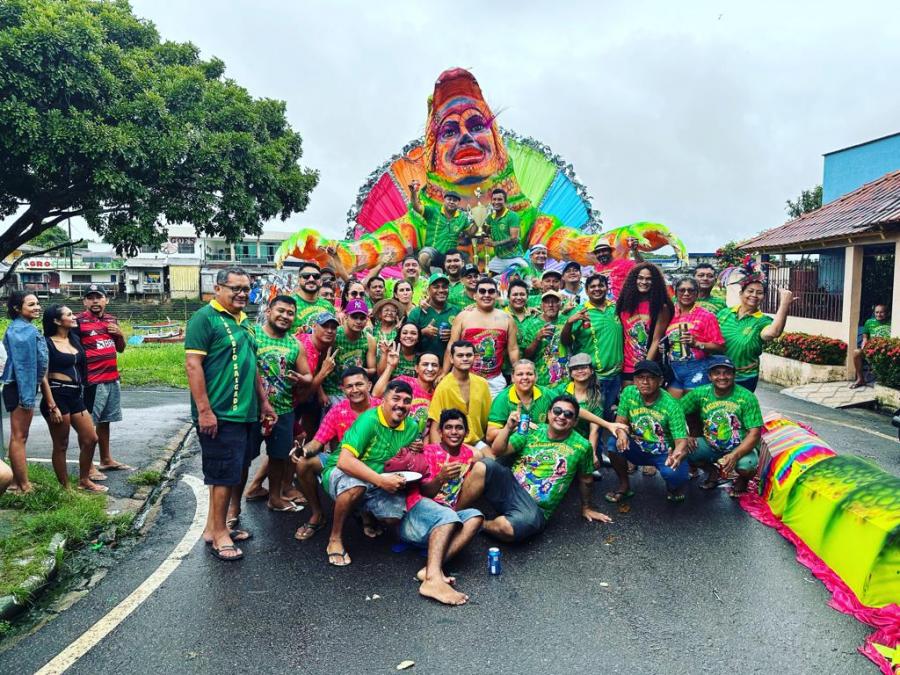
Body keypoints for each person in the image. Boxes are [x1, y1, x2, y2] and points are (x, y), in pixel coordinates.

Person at [185, 267, 276, 561]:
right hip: (220, 413)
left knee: (234, 471)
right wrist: (205, 411)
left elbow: (252, 366)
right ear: (218, 289)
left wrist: (264, 404)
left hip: (246, 413)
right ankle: (219, 534)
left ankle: (215, 528)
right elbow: (193, 366)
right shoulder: (204, 318)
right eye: (235, 288)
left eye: (245, 288)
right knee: (222, 475)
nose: (241, 293)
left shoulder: (244, 321)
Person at [457, 394, 611, 542]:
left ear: (575, 421)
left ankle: (479, 524)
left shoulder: (582, 446)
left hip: (534, 509)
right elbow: (498, 451)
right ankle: (454, 515)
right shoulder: (532, 431)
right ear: (549, 414)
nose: (561, 416)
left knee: (511, 528)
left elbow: (586, 479)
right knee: (483, 466)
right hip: (510, 488)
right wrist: (508, 428)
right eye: (557, 411)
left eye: (568, 414)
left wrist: (586, 507)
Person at [318, 380, 420, 566]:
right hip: (342, 471)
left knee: (392, 518)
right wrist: (381, 481)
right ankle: (335, 538)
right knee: (355, 488)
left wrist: (414, 454)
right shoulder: (369, 420)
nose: (401, 405)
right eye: (395, 398)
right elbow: (344, 461)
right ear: (383, 401)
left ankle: (363, 510)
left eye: (406, 401)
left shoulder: (412, 427)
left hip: (378, 477)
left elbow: (408, 458)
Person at [400, 409, 484, 606]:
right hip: (417, 519)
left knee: (476, 516)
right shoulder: (427, 452)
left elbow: (482, 457)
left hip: (446, 521)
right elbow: (424, 492)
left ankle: (430, 569)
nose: (454, 432)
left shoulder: (469, 455)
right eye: (448, 428)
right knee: (447, 514)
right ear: (440, 431)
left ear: (466, 432)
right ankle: (433, 581)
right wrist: (441, 478)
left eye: (459, 428)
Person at [292, 366, 379, 541]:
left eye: (359, 384)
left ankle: (366, 513)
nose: (355, 390)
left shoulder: (382, 408)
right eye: (349, 386)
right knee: (303, 462)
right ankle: (317, 514)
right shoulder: (338, 410)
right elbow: (318, 441)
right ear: (342, 389)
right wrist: (304, 450)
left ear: (369, 385)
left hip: (375, 465)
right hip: (341, 462)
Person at [252, 295, 309, 512]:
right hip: (253, 410)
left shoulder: (295, 344)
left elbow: (308, 376)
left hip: (283, 410)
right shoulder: (253, 335)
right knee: (243, 460)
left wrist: (301, 378)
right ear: (268, 311)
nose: (285, 316)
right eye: (281, 311)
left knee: (278, 457)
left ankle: (275, 498)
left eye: (290, 313)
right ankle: (232, 510)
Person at [607, 360, 690, 503]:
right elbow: (620, 422)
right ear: (634, 380)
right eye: (640, 377)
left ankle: (673, 486)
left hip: (664, 453)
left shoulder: (672, 405)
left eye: (651, 377)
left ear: (660, 381)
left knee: (673, 475)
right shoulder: (628, 393)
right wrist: (621, 434)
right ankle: (624, 485)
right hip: (638, 447)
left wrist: (677, 454)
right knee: (613, 443)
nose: (645, 382)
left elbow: (681, 440)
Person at [38, 304, 101, 492]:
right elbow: (43, 375)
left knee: (91, 438)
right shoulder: (46, 343)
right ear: (57, 321)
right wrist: (51, 405)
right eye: (69, 315)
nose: (74, 317)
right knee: (61, 444)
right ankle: (66, 488)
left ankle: (84, 480)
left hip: (75, 394)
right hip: (57, 395)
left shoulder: (74, 339)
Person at [681, 356, 763, 496]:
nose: (722, 377)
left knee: (747, 466)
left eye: (727, 372)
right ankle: (712, 471)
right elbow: (674, 413)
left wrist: (735, 455)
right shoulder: (700, 393)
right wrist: (684, 435)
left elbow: (755, 433)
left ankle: (742, 480)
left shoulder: (747, 397)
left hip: (740, 447)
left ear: (734, 375)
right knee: (681, 449)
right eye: (717, 373)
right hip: (709, 444)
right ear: (710, 376)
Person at [76, 285, 130, 474]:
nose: (95, 301)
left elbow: (120, 348)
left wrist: (120, 334)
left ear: (106, 300)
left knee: (105, 421)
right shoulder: (78, 322)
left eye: (99, 297)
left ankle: (106, 459)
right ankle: (88, 467)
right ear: (85, 302)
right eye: (90, 298)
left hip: (112, 378)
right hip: (92, 380)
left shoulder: (111, 320)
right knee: (88, 424)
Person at [1, 291, 48, 493]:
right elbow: (25, 367)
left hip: (22, 386)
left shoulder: (24, 328)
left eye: (37, 303)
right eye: (31, 304)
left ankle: (16, 482)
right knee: (19, 436)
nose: (37, 307)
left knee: (19, 436)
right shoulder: (22, 332)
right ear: (17, 309)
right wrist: (27, 398)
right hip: (22, 387)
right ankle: (23, 484)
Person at [562, 274, 624, 419]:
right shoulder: (580, 311)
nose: (597, 289)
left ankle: (608, 442)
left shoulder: (615, 308)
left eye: (600, 285)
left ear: (607, 287)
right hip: (593, 376)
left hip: (616, 375)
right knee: (594, 418)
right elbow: (565, 342)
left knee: (611, 414)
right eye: (593, 286)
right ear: (587, 290)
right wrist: (569, 322)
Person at [717, 274, 793, 392]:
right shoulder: (724, 313)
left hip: (744, 378)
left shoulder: (762, 320)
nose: (754, 295)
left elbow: (773, 332)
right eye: (750, 291)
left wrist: (784, 304)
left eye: (759, 293)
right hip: (718, 374)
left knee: (739, 409)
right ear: (741, 294)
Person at [446, 276, 519, 395]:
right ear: (475, 295)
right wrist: (444, 373)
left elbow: (513, 348)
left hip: (495, 381)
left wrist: (517, 371)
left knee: (495, 413)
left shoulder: (506, 318)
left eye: (491, 291)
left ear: (496, 295)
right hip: (466, 377)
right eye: (482, 291)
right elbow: (451, 346)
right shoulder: (463, 316)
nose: (487, 295)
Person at [663, 277, 725, 398]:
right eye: (682, 290)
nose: (686, 293)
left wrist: (697, 344)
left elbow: (720, 346)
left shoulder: (706, 316)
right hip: (673, 369)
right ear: (676, 293)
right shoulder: (669, 314)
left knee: (692, 411)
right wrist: (664, 347)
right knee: (674, 408)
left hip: (697, 368)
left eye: (691, 290)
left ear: (696, 294)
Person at [616, 263, 673, 384]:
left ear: (655, 282)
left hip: (649, 366)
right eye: (640, 278)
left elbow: (656, 340)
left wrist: (645, 368)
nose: (644, 282)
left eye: (649, 279)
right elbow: (622, 335)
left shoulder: (661, 307)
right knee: (629, 400)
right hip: (627, 366)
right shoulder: (624, 305)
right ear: (634, 280)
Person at [429, 340, 491, 446]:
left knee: (492, 460)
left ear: (475, 357)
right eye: (460, 355)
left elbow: (488, 421)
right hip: (451, 443)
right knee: (483, 459)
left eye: (469, 355)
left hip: (477, 441)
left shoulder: (482, 384)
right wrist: (440, 456)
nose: (465, 358)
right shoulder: (444, 386)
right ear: (452, 359)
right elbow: (435, 428)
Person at [322, 299, 376, 406]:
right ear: (346, 316)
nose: (358, 321)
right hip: (332, 390)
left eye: (362, 318)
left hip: (356, 389)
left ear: (367, 319)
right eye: (354, 317)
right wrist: (321, 393)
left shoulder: (369, 340)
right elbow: (318, 367)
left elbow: (373, 369)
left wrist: (362, 369)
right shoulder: (334, 335)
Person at [374, 348, 439, 435]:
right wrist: (390, 366)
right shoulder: (405, 381)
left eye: (434, 365)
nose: (430, 369)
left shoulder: (437, 395)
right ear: (416, 368)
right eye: (425, 364)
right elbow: (376, 394)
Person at [410, 181, 471, 272]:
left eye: (455, 200)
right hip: (433, 251)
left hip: (451, 254)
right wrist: (413, 192)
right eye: (449, 199)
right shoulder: (433, 211)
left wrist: (479, 222)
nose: (451, 202)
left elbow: (470, 232)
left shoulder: (463, 218)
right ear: (444, 200)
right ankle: (429, 278)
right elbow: (416, 207)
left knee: (467, 262)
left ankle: (457, 281)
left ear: (458, 203)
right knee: (423, 256)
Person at [521, 290, 566, 387]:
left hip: (564, 381)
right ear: (541, 306)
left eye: (554, 301)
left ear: (560, 305)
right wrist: (537, 338)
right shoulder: (530, 325)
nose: (551, 305)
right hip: (541, 381)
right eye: (547, 302)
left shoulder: (566, 321)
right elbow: (525, 356)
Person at [407, 272, 457, 362]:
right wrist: (422, 332)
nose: (441, 290)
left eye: (444, 286)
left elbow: (464, 338)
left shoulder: (456, 311)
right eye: (436, 287)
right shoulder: (417, 312)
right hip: (423, 366)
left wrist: (453, 336)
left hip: (450, 365)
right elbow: (405, 337)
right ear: (428, 290)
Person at [485, 188, 527, 274]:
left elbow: (514, 238)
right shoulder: (490, 217)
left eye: (500, 199)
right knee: (488, 279)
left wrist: (495, 243)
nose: (496, 202)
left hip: (514, 258)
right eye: (494, 199)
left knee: (525, 281)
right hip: (499, 258)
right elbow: (486, 231)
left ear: (505, 201)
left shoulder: (512, 216)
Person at [851, 304, 891, 388]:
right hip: (872, 350)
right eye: (877, 312)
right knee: (856, 352)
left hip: (887, 350)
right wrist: (863, 348)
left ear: (887, 313)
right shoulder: (869, 322)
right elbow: (865, 338)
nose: (879, 315)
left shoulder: (892, 322)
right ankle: (860, 379)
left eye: (881, 312)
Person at [290, 262, 335, 333]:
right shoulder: (289, 303)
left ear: (320, 281)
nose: (311, 279)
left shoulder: (328, 305)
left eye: (316, 276)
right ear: (299, 279)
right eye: (306, 276)